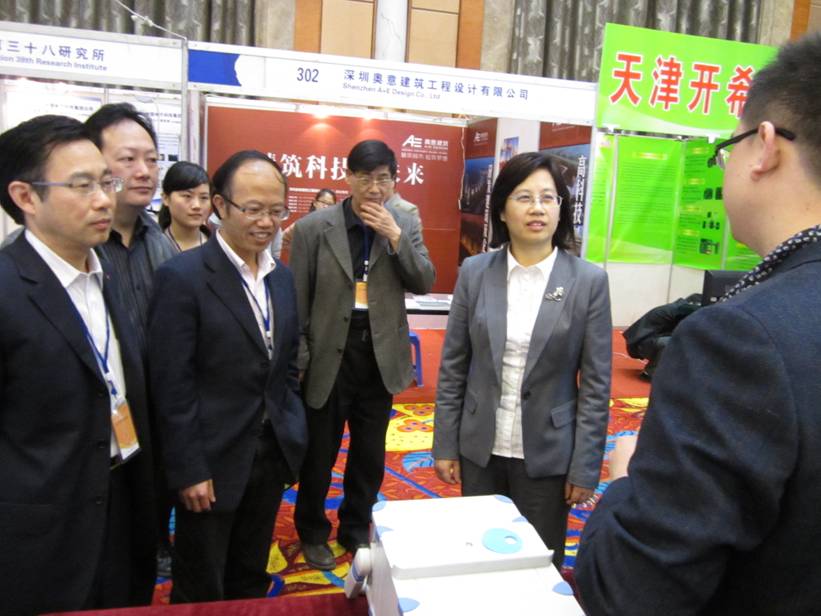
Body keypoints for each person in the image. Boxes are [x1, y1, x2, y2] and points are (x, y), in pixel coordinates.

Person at [575, 33, 821, 615]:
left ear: (764, 147)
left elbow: (631, 593)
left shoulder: (740, 339)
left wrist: (625, 482)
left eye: (727, 146)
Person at [0, 115, 157, 613]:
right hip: (42, 523)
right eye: (82, 185)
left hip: (122, 494)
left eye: (106, 182)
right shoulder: (7, 288)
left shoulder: (102, 271)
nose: (104, 200)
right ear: (26, 197)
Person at [432, 152, 611, 567]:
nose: (537, 209)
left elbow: (597, 385)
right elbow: (454, 366)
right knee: (478, 555)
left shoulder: (588, 281)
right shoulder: (475, 272)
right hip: (480, 445)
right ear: (502, 209)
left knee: (537, 560)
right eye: (524, 197)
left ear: (561, 209)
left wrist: (585, 466)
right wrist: (445, 443)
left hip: (548, 451)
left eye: (548, 198)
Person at [148, 150, 307, 602]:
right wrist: (188, 468)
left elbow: (286, 364)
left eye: (276, 210)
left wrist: (290, 430)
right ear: (220, 205)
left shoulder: (280, 278)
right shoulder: (182, 277)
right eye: (253, 209)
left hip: (269, 453)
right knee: (201, 582)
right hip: (211, 462)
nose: (266, 222)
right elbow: (172, 384)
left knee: (250, 573)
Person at [290, 140, 435, 570]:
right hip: (329, 353)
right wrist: (300, 360)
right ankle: (312, 530)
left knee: (369, 454)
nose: (375, 188)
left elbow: (424, 280)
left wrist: (395, 238)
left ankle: (355, 527)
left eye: (384, 179)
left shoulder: (404, 222)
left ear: (395, 179)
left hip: (379, 354)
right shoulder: (314, 228)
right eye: (365, 178)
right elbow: (297, 298)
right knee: (320, 452)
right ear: (348, 178)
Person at [85, 103, 177, 355]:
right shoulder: (73, 245)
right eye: (128, 159)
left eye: (152, 160)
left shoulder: (160, 242)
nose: (144, 172)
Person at [158, 161, 211, 252]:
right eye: (187, 196)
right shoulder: (154, 247)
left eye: (204, 197)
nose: (197, 206)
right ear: (166, 198)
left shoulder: (217, 245)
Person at [280, 188, 337, 253]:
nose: (326, 206)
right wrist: (299, 252)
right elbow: (283, 239)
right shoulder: (304, 223)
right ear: (315, 203)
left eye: (330, 204)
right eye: (323, 202)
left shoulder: (336, 226)